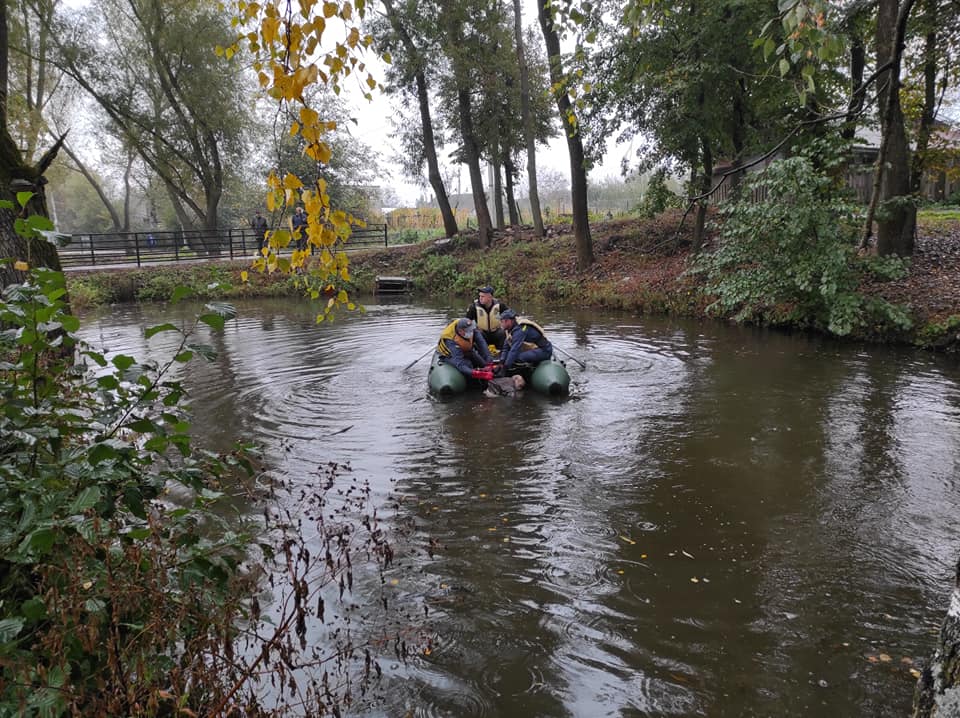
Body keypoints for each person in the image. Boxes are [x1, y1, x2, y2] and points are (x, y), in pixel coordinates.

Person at [437, 317, 495, 381]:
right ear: (461, 331)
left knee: (482, 363)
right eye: (469, 331)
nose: (471, 332)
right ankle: (473, 378)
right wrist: (477, 374)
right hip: (449, 355)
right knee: (468, 364)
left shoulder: (471, 329)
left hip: (466, 349)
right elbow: (460, 363)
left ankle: (481, 369)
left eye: (471, 330)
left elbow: (482, 343)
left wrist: (489, 361)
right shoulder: (450, 340)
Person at [465, 286, 509, 351]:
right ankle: (481, 353)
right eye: (480, 296)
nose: (480, 298)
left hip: (496, 333)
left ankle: (502, 353)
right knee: (477, 333)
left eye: (483, 296)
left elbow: (512, 316)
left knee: (502, 332)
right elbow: (467, 322)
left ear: (490, 297)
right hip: (483, 334)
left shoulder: (500, 305)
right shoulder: (473, 307)